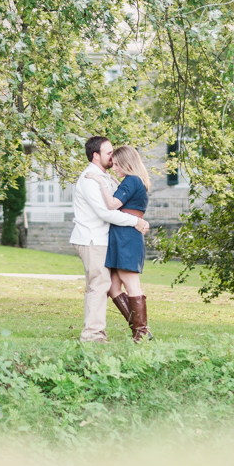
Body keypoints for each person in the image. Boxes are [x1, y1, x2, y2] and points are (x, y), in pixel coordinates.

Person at [70, 136, 150, 343]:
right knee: (100, 285)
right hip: (92, 239)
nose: (113, 157)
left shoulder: (105, 177)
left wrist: (136, 219)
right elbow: (105, 212)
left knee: (108, 286)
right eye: (108, 153)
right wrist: (135, 221)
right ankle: (93, 336)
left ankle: (139, 331)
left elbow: (122, 202)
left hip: (107, 240)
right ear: (96, 155)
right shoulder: (90, 178)